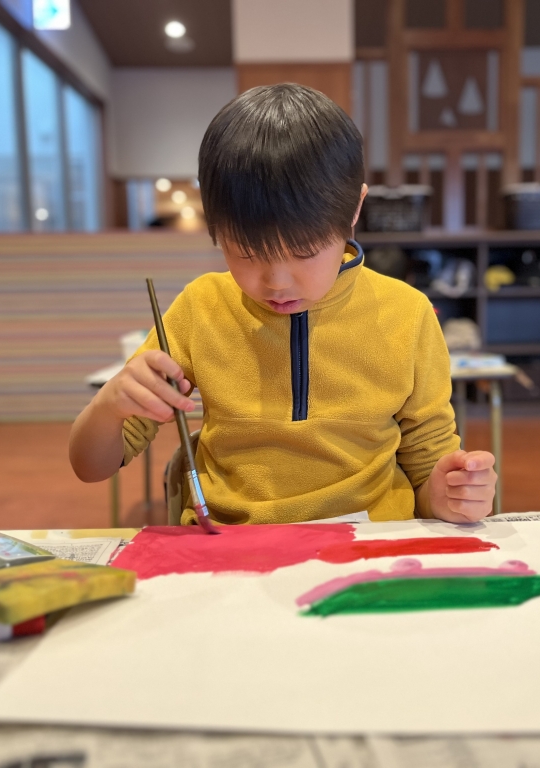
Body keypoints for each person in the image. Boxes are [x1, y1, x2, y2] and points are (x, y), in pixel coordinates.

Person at [69, 84, 497, 525]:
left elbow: (428, 473)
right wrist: (110, 405)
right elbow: (91, 466)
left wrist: (448, 495)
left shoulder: (406, 314)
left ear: (354, 209)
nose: (276, 281)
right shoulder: (200, 309)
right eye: (246, 253)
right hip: (231, 552)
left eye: (306, 251)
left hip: (371, 551)